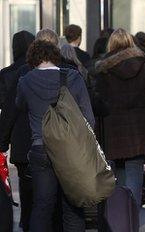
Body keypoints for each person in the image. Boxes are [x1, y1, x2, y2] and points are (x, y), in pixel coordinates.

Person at [16, 40, 94, 231]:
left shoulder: (25, 81)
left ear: (32, 59)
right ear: (55, 56)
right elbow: (89, 118)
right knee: (73, 207)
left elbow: (20, 105)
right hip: (70, 150)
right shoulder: (74, 78)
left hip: (40, 148)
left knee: (42, 205)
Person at [94, 29, 145, 208]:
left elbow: (98, 102)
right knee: (134, 177)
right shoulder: (144, 67)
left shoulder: (103, 70)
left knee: (116, 180)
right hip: (139, 132)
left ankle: (117, 220)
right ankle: (131, 221)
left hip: (112, 132)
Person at [0, 30, 35, 232]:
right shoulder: (33, 70)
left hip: (19, 137)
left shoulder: (6, 74)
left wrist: (2, 143)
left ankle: (26, 218)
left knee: (24, 179)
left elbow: (6, 111)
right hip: (39, 133)